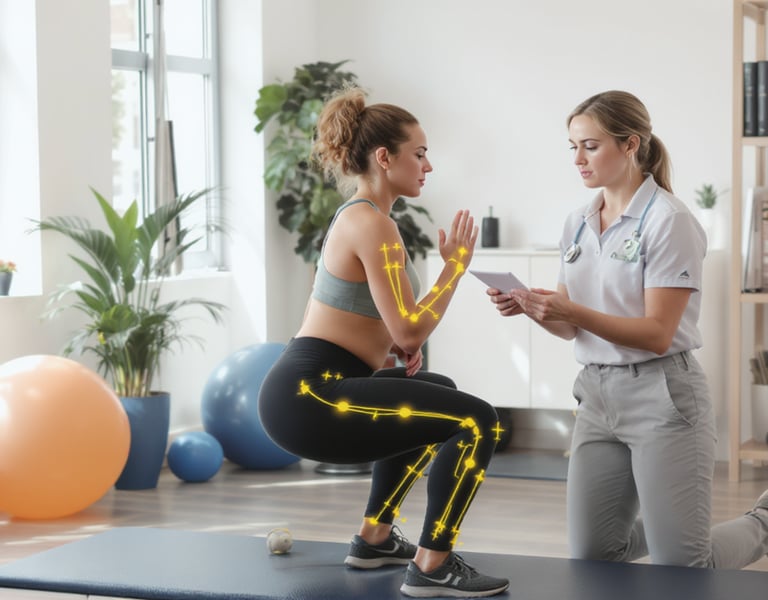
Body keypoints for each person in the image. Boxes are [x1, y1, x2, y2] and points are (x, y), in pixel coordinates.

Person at [487, 90, 768, 568]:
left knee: (683, 569)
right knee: (594, 555)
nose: (577, 159)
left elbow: (657, 332)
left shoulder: (670, 220)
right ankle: (669, 531)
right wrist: (538, 309)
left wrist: (570, 312)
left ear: (631, 144)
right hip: (596, 395)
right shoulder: (577, 222)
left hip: (664, 396)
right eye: (572, 146)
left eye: (590, 146)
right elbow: (572, 327)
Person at [258, 86, 509, 598]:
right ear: (383, 157)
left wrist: (393, 344)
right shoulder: (372, 223)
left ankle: (374, 540)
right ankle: (433, 565)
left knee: (437, 387)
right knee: (476, 420)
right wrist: (454, 269)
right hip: (311, 396)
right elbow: (410, 328)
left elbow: (357, 312)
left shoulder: (360, 216)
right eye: (419, 154)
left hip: (315, 386)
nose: (428, 166)